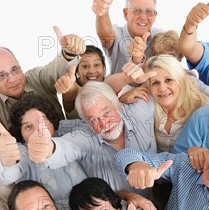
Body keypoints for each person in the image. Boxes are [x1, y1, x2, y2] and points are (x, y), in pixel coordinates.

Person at [26, 81, 157, 197]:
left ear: (117, 105)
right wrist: (47, 148)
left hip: (158, 197)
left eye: (106, 113)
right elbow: (65, 147)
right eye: (93, 119)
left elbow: (164, 86)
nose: (104, 123)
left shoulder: (138, 109)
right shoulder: (85, 135)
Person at [0, 95, 88, 202]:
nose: (37, 131)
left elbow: (89, 130)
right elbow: (8, 176)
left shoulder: (65, 130)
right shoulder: (22, 150)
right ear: (20, 132)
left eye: (42, 122)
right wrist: (8, 160)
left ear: (52, 121)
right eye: (28, 127)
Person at [92, 0, 162, 74]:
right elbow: (106, 35)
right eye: (137, 10)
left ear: (155, 16)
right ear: (126, 14)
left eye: (149, 11)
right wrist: (103, 12)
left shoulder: (161, 36)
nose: (143, 17)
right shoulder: (118, 34)